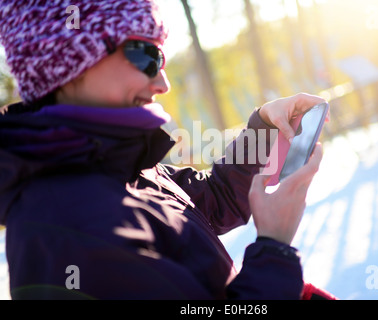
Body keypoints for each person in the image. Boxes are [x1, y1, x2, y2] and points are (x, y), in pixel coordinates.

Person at [0, 0, 336, 300]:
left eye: (159, 55)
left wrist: (263, 130)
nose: (163, 83)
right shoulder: (64, 229)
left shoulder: (118, 161)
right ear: (64, 61)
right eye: (143, 54)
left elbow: (213, 200)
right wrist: (274, 251)